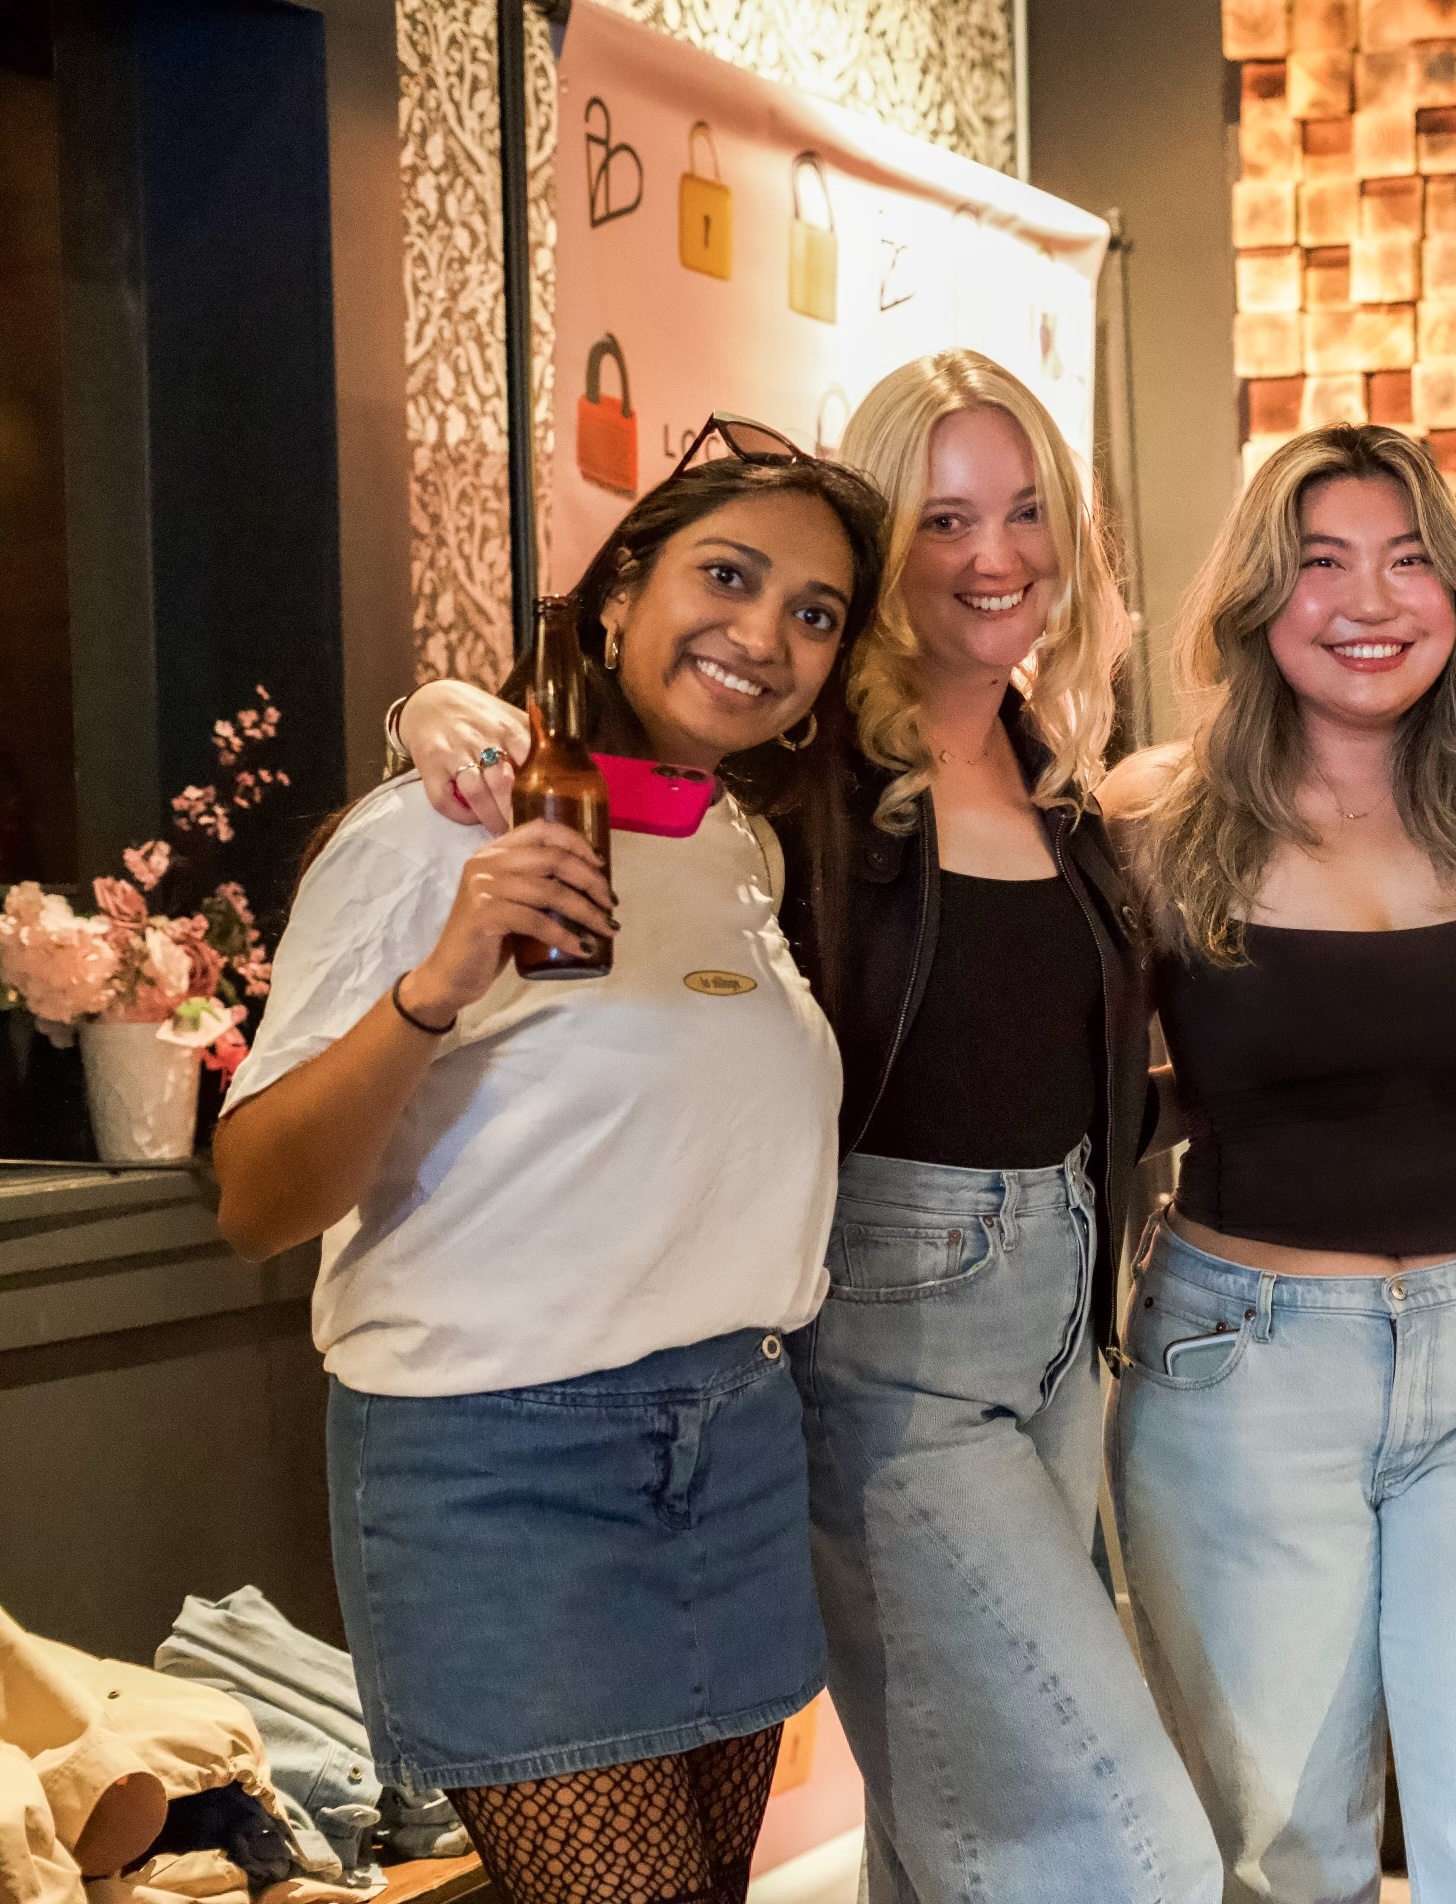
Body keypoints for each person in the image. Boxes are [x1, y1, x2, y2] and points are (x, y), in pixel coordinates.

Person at [390, 352, 1218, 1904]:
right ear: (879, 544)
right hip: (884, 1356)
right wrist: (445, 709)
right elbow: (575, 744)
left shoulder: (1054, 771)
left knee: (946, 1841)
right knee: (1124, 1849)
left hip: (1059, 1336)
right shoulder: (793, 765)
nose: (997, 556)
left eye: (1029, 510)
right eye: (948, 517)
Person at [214, 423, 890, 1904]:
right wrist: (441, 978)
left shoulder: (739, 852)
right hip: (503, 1467)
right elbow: (259, 1200)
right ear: (623, 588)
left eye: (815, 612)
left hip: (734, 1441)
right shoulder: (430, 834)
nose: (763, 632)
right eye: (728, 574)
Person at [1102, 423, 1456, 1904]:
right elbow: (1071, 1096)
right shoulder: (1156, 817)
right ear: (1261, 598)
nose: (1370, 599)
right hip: (1240, 1374)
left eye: (1407, 560)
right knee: (1278, 1859)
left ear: (1455, 592)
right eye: (1322, 562)